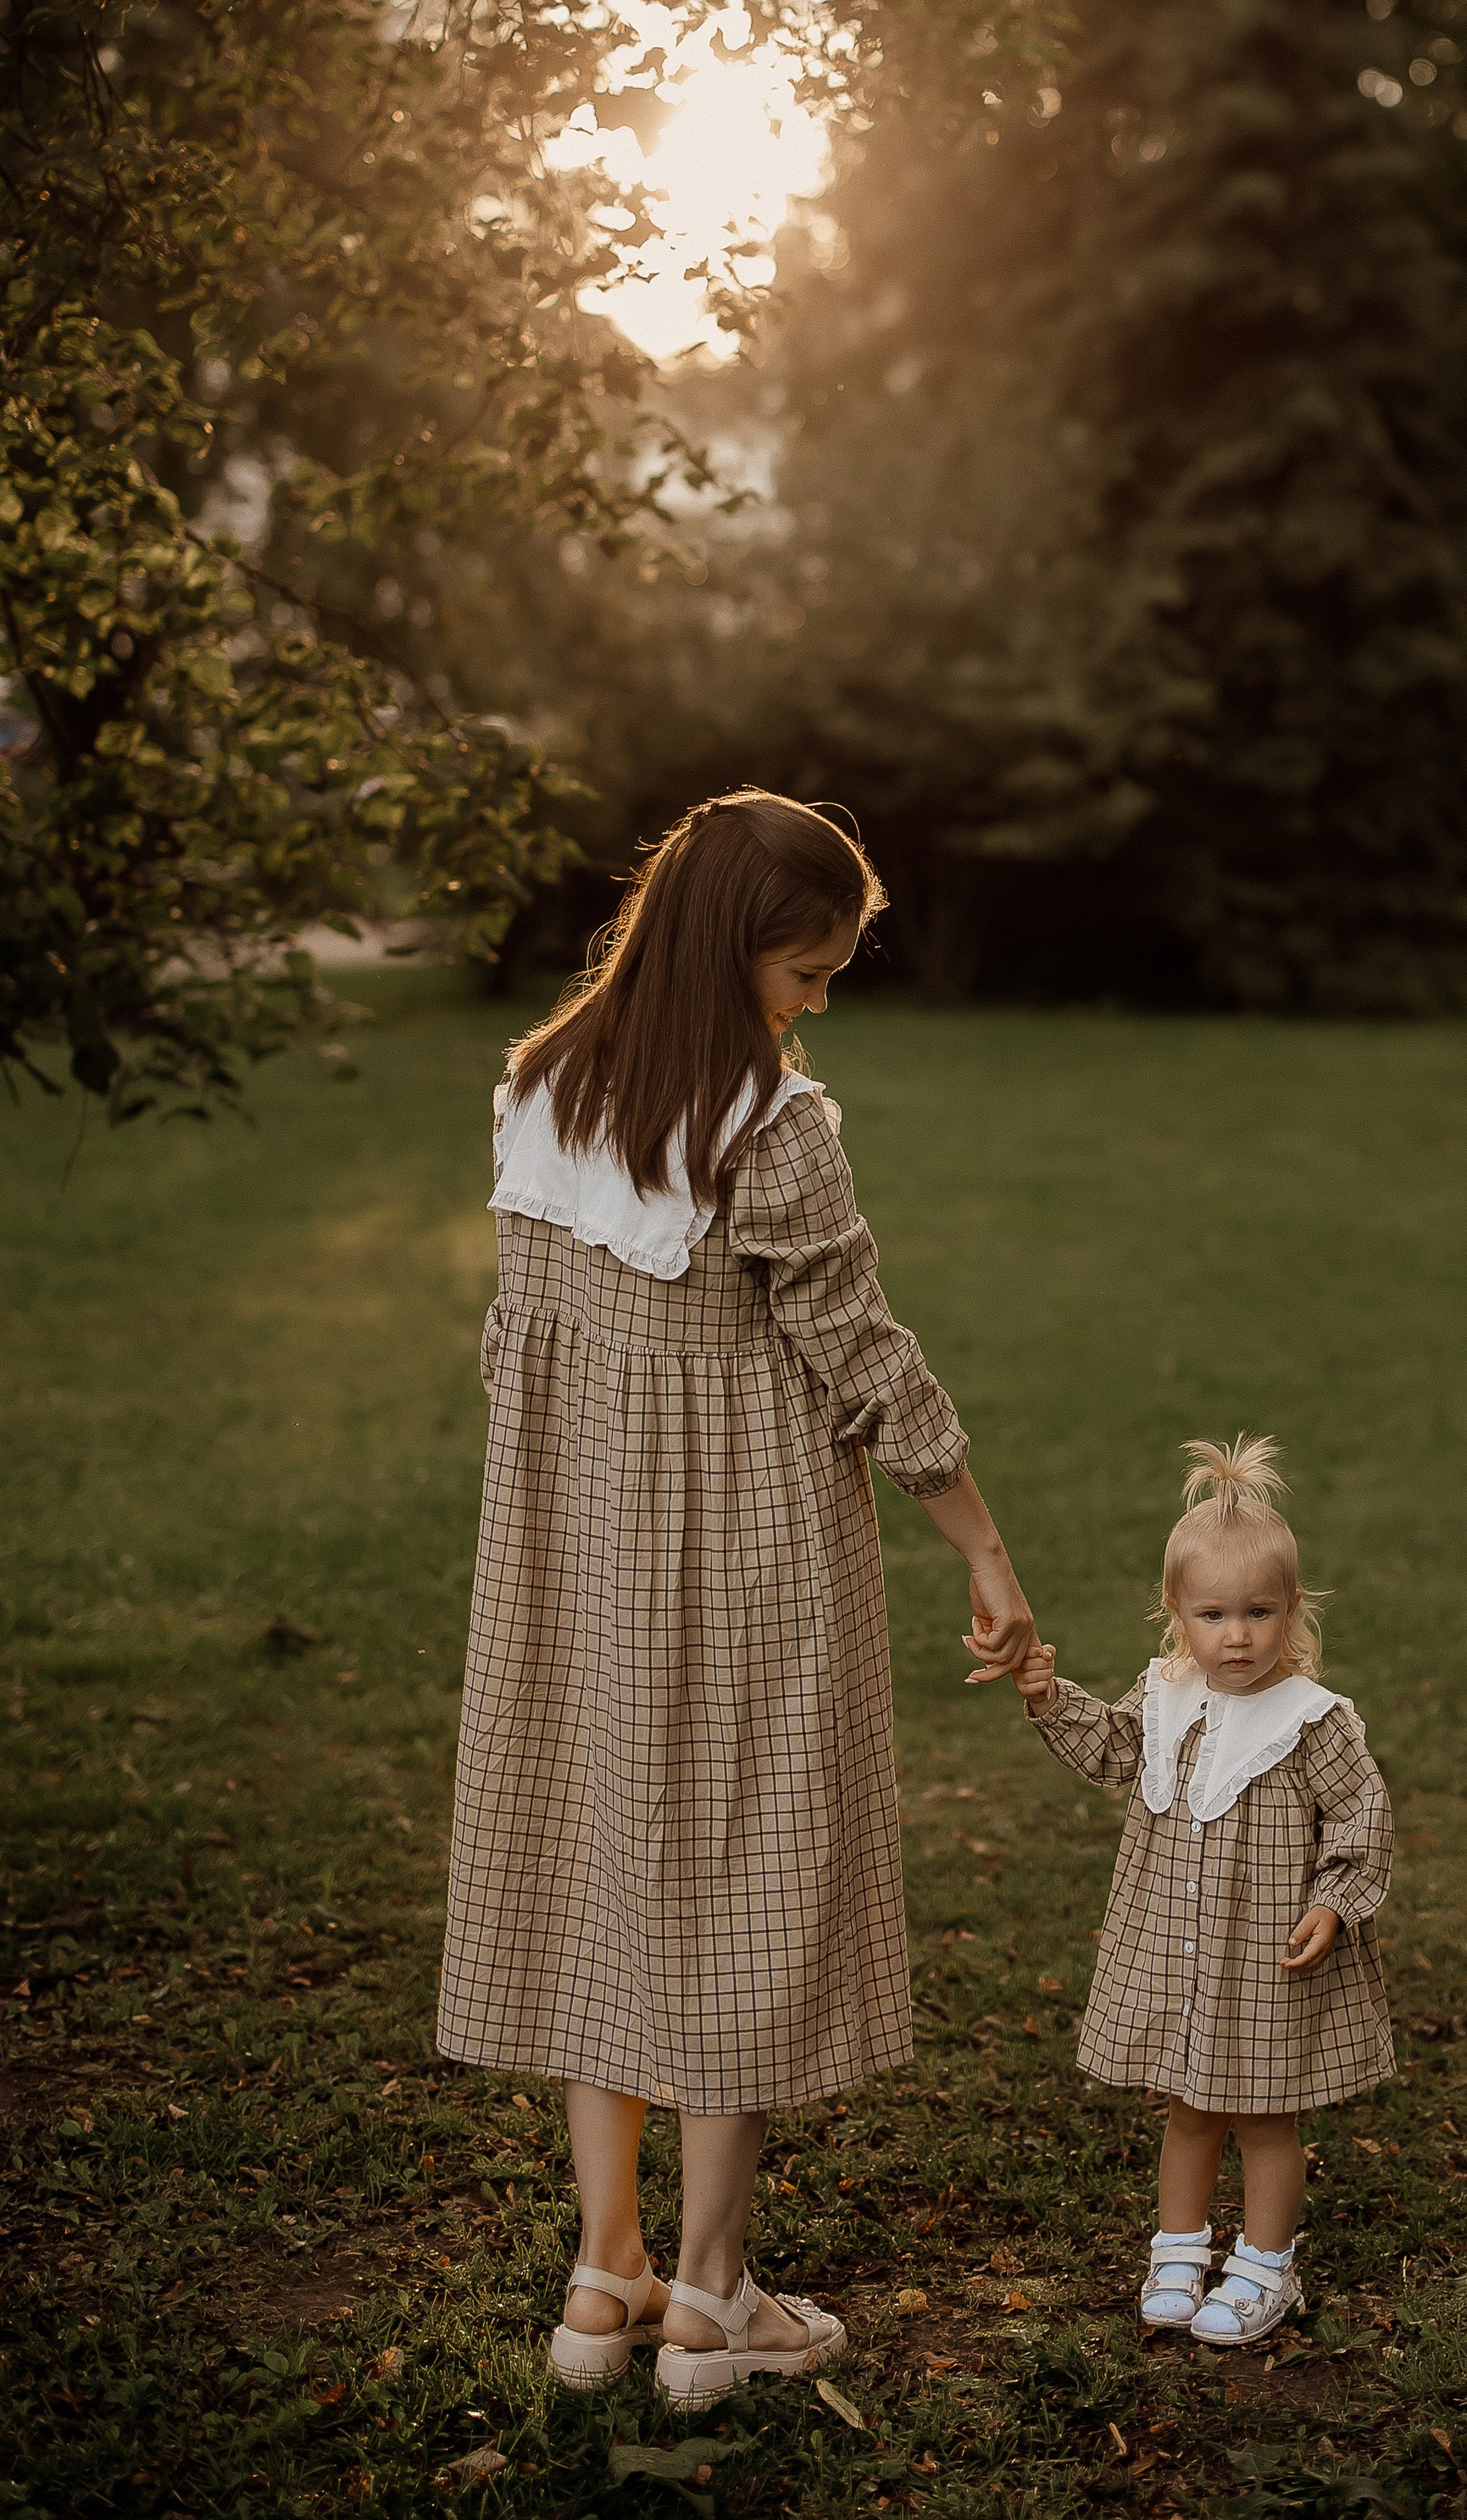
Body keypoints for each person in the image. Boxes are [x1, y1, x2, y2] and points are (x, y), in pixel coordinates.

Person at [436, 790, 1036, 2411]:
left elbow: (522, 1351)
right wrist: (980, 1544)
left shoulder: (536, 1087)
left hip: (574, 1557)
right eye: (808, 966)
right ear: (735, 945)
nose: (818, 998)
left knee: (599, 1874)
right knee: (735, 1889)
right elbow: (862, 1357)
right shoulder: (769, 1127)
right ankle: (704, 2301)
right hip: (745, 1554)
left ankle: (599, 2274)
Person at [1011, 1436, 1393, 2349]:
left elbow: (1361, 1815)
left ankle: (1266, 2263)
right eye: (1214, 1614)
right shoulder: (1166, 1699)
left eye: (1259, 1613)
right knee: (1188, 2107)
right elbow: (1108, 1750)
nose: (1237, 1636)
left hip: (1263, 1955)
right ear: (1175, 1614)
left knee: (1264, 2114)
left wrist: (1335, 1899)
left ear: (1291, 1611)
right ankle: (1177, 2251)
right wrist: (1044, 1693)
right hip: (1179, 1945)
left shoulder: (1311, 1721)